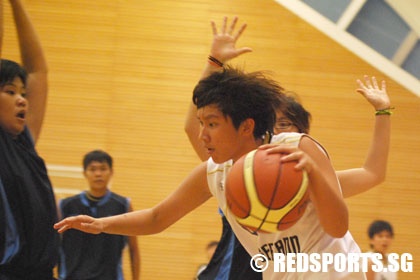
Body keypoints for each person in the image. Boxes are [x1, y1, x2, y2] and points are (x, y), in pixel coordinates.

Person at [55, 65, 367, 279]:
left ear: (246, 126)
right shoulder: (215, 172)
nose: (203, 134)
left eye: (212, 124)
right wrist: (100, 224)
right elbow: (157, 218)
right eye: (202, 123)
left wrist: (312, 173)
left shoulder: (298, 149)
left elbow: (338, 227)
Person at [185, 16, 391, 280]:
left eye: (285, 125)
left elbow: (373, 173)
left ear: (302, 135)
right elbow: (193, 127)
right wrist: (214, 64)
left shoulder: (311, 181)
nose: (276, 132)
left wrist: (383, 111)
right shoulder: (231, 162)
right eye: (272, 125)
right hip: (236, 268)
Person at [0, 0, 59, 279]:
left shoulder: (23, 142)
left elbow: (37, 72)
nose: (22, 99)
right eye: (10, 91)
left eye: (22, 92)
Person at [58, 150, 140, 280]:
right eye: (93, 169)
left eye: (103, 169)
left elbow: (133, 249)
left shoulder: (123, 205)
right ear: (85, 173)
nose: (98, 174)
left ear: (111, 172)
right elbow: (53, 245)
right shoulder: (66, 205)